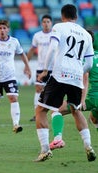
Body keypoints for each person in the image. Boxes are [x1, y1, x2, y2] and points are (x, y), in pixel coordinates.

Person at [34, 4, 96, 162]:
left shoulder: (59, 27)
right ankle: (88, 146)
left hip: (59, 74)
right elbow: (88, 64)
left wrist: (45, 70)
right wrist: (77, 71)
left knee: (41, 110)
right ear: (76, 17)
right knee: (76, 110)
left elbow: (53, 47)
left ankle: (45, 150)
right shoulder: (86, 35)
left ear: (62, 16)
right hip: (76, 76)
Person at [50, 30, 98, 150]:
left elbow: (85, 78)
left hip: (91, 96)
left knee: (57, 110)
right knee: (94, 118)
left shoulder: (83, 58)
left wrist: (82, 100)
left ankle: (58, 139)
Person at [0, 19, 31, 133]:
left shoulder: (14, 42)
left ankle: (16, 124)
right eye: (0, 28)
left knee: (13, 98)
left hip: (10, 76)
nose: (2, 30)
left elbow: (22, 54)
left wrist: (27, 66)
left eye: (4, 28)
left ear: (8, 29)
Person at [27, 15, 53, 122]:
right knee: (38, 89)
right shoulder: (37, 36)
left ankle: (54, 112)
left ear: (51, 23)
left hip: (53, 67)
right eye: (44, 22)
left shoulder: (55, 35)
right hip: (41, 67)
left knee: (52, 91)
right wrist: (26, 64)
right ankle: (36, 113)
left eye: (48, 21)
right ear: (41, 24)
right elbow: (32, 50)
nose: (46, 24)